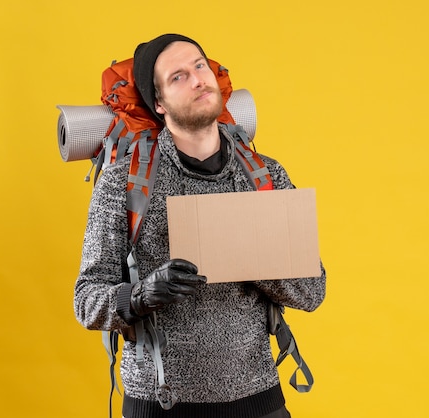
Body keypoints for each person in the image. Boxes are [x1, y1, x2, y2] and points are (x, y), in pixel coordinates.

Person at [73, 33, 326, 418]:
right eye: (177, 77)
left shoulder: (266, 175)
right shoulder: (124, 183)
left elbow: (313, 291)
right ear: (159, 103)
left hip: (259, 402)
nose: (196, 79)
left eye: (200, 66)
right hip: (159, 404)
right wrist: (140, 296)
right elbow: (86, 300)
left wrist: (253, 259)